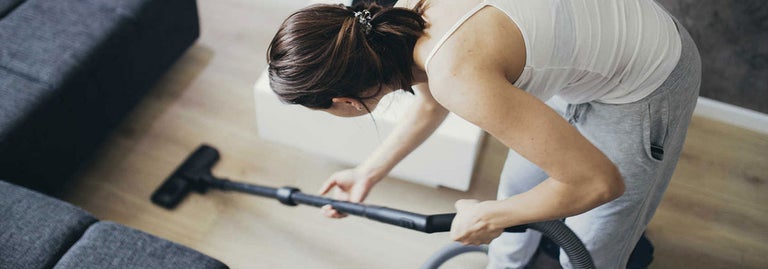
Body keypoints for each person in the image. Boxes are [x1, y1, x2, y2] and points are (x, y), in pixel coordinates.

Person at [266, 0, 700, 268]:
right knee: (518, 189)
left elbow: (599, 183)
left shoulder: (458, 76)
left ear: (343, 101)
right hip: (583, 65)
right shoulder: (392, 26)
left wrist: (494, 217)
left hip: (648, 80)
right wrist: (368, 172)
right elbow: (431, 101)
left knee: (593, 240)